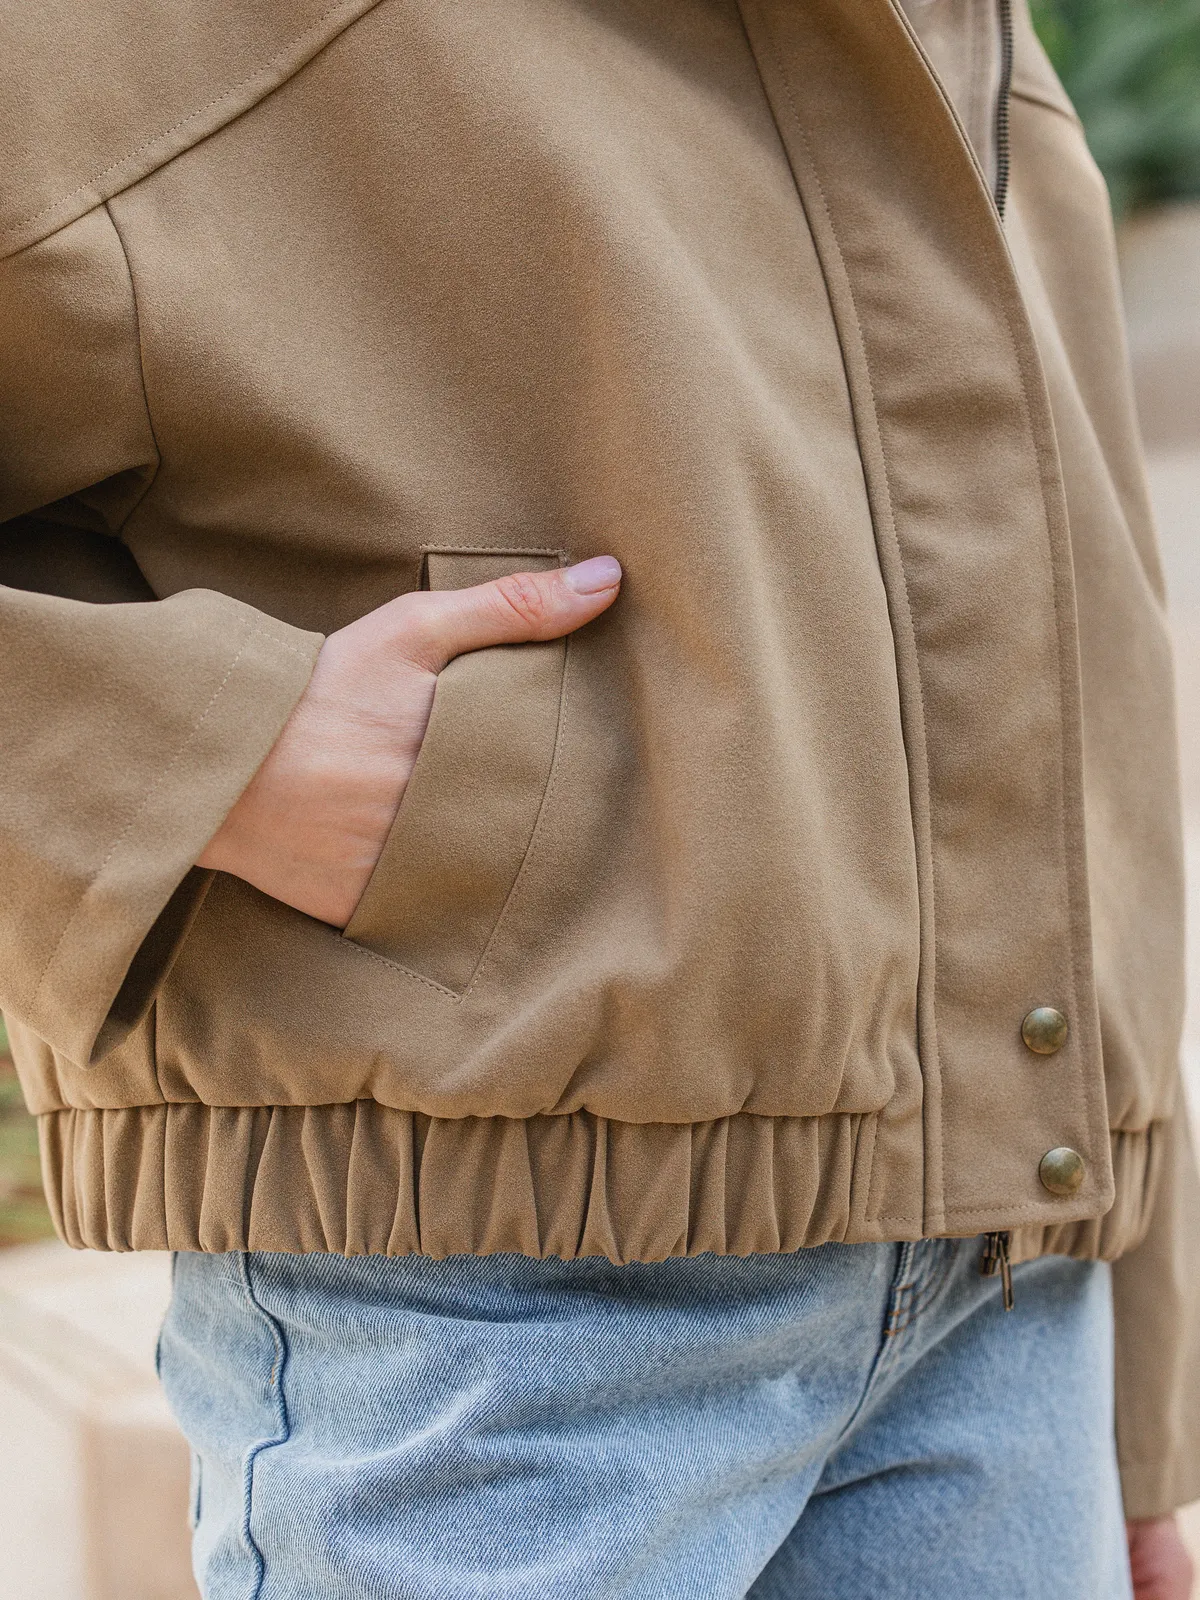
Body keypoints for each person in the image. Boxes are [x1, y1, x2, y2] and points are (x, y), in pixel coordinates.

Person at [1, 0, 1196, 1593]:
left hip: (1005, 1303)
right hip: (491, 1321)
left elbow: (1066, 651)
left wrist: (1137, 1387)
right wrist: (211, 749)